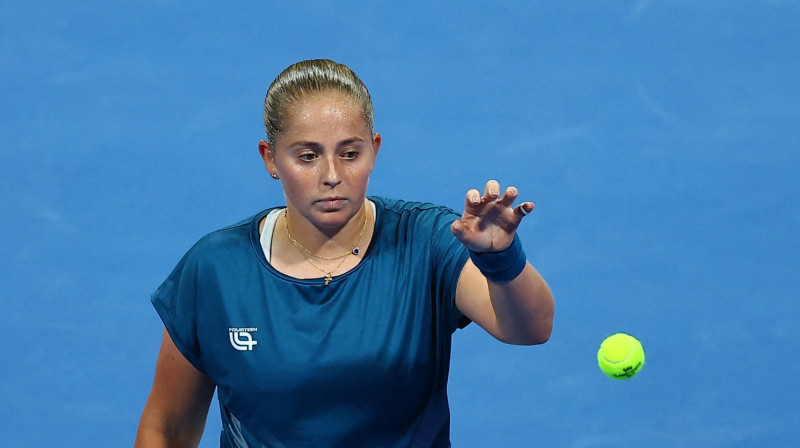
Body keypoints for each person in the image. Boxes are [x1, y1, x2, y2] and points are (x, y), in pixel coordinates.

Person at [134, 59, 554, 448]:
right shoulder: (216, 270)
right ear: (271, 159)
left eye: (350, 153)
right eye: (308, 156)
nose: (332, 176)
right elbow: (166, 428)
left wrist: (501, 260)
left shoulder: (427, 241)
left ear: (374, 150)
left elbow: (530, 328)